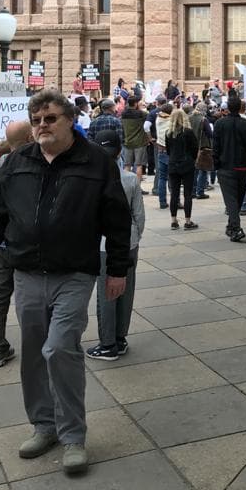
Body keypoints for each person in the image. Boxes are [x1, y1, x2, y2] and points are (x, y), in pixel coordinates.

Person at [0, 90, 132, 475]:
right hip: (28, 273)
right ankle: (44, 425)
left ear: (69, 120)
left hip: (75, 273)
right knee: (34, 353)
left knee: (59, 347)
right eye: (36, 120)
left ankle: (72, 436)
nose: (42, 126)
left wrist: (117, 269)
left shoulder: (97, 162)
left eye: (50, 118)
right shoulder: (16, 163)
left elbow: (117, 221)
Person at [85, 130, 145, 360]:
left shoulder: (91, 180)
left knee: (106, 292)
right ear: (119, 151)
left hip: (102, 244)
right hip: (129, 241)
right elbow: (138, 215)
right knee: (126, 290)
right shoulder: (129, 179)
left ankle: (107, 342)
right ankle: (120, 338)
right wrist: (135, 236)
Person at [0, 119, 34, 368]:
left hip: (3, 245)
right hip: (23, 245)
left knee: (0, 296)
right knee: (32, 296)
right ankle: (35, 344)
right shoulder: (31, 166)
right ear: (29, 138)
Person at [212, 94, 246, 243]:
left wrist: (217, 163)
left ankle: (236, 227)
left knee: (231, 199)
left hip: (226, 166)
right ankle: (232, 226)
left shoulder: (220, 124)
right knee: (237, 198)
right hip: (242, 166)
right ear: (240, 108)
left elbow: (216, 146)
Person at [166, 108, 200, 231]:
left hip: (173, 164)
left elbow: (169, 150)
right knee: (187, 194)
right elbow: (195, 148)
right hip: (187, 164)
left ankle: (174, 220)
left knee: (174, 194)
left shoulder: (168, 133)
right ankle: (187, 220)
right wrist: (192, 159)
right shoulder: (188, 132)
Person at [121, 96, 150, 192]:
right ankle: (137, 188)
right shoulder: (141, 114)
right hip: (139, 143)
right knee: (138, 165)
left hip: (127, 141)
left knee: (127, 165)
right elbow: (148, 117)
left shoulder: (123, 114)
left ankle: (126, 187)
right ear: (136, 103)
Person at [190, 101, 214, 199]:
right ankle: (200, 191)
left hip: (191, 146)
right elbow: (210, 134)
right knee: (203, 170)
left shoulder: (189, 118)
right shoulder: (204, 120)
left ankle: (192, 191)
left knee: (193, 170)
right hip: (202, 146)